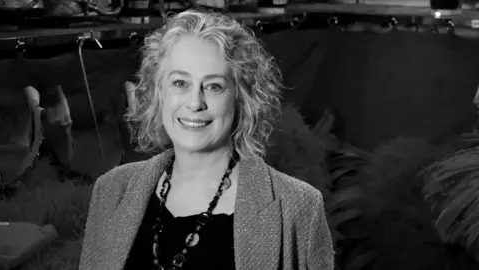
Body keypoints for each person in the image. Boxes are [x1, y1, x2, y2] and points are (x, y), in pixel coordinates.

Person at [78, 9, 334, 270]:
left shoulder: (298, 207)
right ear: (158, 92)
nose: (195, 102)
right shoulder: (110, 191)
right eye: (180, 83)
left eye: (213, 86)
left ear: (241, 98)